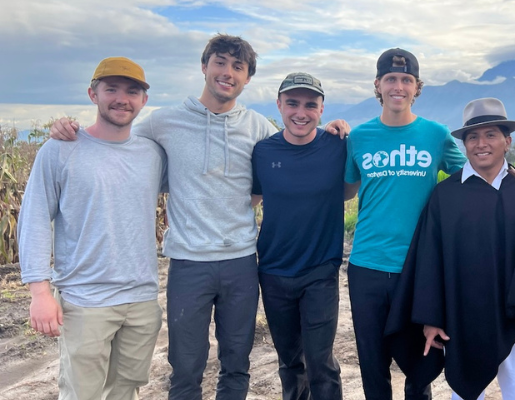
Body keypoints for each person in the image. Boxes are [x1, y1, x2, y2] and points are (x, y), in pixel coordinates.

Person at [48, 35, 350, 400]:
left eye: (238, 67)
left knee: (237, 364)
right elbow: (114, 135)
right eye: (220, 62)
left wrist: (333, 130)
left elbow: (294, 148)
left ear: (248, 78)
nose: (228, 72)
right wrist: (69, 129)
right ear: (204, 66)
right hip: (188, 263)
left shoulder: (257, 127)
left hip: (241, 262)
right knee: (186, 367)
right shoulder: (165, 122)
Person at [386, 97, 515, 400]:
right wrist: (431, 318)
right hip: (463, 317)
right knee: (467, 394)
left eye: (491, 134)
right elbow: (430, 260)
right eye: (472, 136)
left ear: (507, 141)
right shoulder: (445, 196)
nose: (481, 143)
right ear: (464, 144)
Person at [18, 56, 167, 399]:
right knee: (81, 393)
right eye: (110, 88)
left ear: (144, 100)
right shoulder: (59, 150)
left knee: (125, 391)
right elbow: (35, 219)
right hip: (85, 300)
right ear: (92, 94)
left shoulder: (153, 154)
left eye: (132, 91)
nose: (121, 98)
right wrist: (39, 293)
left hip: (142, 299)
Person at [344, 48, 466, 400]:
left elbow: (471, 179)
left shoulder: (436, 134)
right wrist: (328, 137)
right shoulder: (360, 137)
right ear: (378, 85)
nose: (399, 86)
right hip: (366, 263)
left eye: (406, 80)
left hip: (417, 266)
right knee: (372, 361)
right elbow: (346, 190)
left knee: (419, 365)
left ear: (417, 87)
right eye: (391, 79)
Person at [251, 72, 354, 400]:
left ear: (322, 109)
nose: (301, 112)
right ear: (279, 105)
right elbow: (249, 200)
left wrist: (344, 129)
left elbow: (348, 191)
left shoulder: (337, 146)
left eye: (311, 104)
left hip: (320, 272)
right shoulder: (263, 152)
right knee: (290, 361)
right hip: (274, 270)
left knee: (320, 361)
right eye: (292, 103)